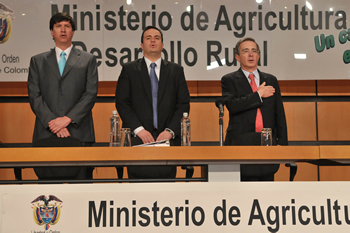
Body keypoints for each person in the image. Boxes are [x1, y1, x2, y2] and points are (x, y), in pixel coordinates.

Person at [27, 12, 98, 179]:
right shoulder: (38, 61)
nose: (63, 30)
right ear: (52, 31)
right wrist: (53, 123)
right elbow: (34, 95)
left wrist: (67, 119)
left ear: (73, 31)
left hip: (79, 132)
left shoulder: (88, 60)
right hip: (47, 133)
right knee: (48, 195)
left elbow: (90, 93)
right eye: (58, 26)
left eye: (67, 26)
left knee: (82, 192)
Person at [115, 25, 190, 179]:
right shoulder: (129, 70)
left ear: (162, 45)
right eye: (148, 38)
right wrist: (139, 130)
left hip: (167, 140)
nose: (153, 41)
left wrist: (169, 131)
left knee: (166, 191)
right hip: (137, 140)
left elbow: (183, 104)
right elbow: (122, 103)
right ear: (142, 45)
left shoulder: (176, 71)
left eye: (157, 38)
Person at [221, 37, 288, 181]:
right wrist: (258, 95)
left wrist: (283, 143)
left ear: (258, 56)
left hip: (267, 142)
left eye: (254, 51)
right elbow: (233, 105)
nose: (250, 55)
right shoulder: (229, 80)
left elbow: (279, 113)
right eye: (245, 51)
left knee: (267, 189)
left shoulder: (271, 80)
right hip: (241, 142)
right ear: (237, 57)